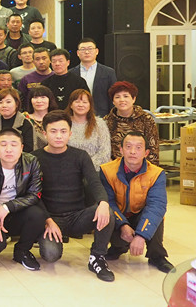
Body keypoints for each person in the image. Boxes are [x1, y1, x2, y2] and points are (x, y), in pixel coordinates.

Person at [32, 110, 115, 281]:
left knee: (107, 211)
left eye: (63, 131)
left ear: (70, 134)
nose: (58, 136)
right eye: (53, 131)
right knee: (50, 255)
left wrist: (103, 202)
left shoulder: (80, 156)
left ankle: (97, 257)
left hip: (77, 217)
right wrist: (47, 220)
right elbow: (33, 195)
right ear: (44, 133)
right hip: (50, 219)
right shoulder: (34, 158)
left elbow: (95, 183)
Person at [100, 132, 173, 273]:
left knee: (155, 215)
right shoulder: (106, 170)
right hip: (119, 215)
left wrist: (141, 235)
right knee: (106, 211)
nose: (133, 151)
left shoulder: (156, 174)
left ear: (146, 153)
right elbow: (108, 201)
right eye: (128, 147)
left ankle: (157, 256)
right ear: (121, 150)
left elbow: (157, 205)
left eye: (138, 148)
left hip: (140, 214)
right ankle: (118, 247)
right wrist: (123, 225)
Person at [0, 128, 45, 270]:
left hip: (16, 213)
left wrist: (7, 207)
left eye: (14, 144)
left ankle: (22, 251)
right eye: (3, 144)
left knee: (37, 214)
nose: (9, 149)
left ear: (21, 147)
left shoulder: (31, 162)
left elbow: (34, 194)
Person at [104, 81, 160, 165]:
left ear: (133, 99)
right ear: (113, 101)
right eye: (117, 97)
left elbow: (153, 149)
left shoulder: (146, 119)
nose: (122, 100)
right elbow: (103, 150)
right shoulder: (106, 121)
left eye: (126, 96)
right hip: (115, 166)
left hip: (141, 166)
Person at [66, 89, 112, 170]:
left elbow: (105, 152)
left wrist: (86, 167)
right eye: (77, 102)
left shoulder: (100, 124)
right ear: (71, 105)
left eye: (85, 102)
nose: (81, 105)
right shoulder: (64, 123)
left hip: (94, 171)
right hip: (68, 169)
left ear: (90, 105)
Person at [72, 38, 118, 117]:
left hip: (102, 115)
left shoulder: (108, 72)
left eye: (90, 49)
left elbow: (113, 96)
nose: (87, 52)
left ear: (96, 51)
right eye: (83, 49)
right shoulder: (71, 73)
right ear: (78, 53)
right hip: (77, 116)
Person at [0, 88, 35, 157]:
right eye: (0, 102)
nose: (4, 105)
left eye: (8, 102)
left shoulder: (25, 124)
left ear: (16, 104)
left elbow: (29, 152)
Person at [25, 85, 57, 150]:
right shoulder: (24, 118)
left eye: (43, 97)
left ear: (50, 99)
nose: (39, 101)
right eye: (35, 97)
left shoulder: (57, 118)